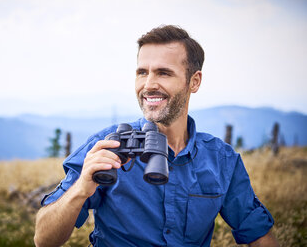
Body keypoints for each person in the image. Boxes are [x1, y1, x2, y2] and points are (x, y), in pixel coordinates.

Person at [34, 25, 279, 247]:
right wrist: (80, 190)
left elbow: (258, 235)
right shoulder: (106, 146)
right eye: (142, 72)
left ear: (194, 82)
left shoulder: (220, 160)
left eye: (163, 73)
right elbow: (43, 240)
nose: (148, 84)